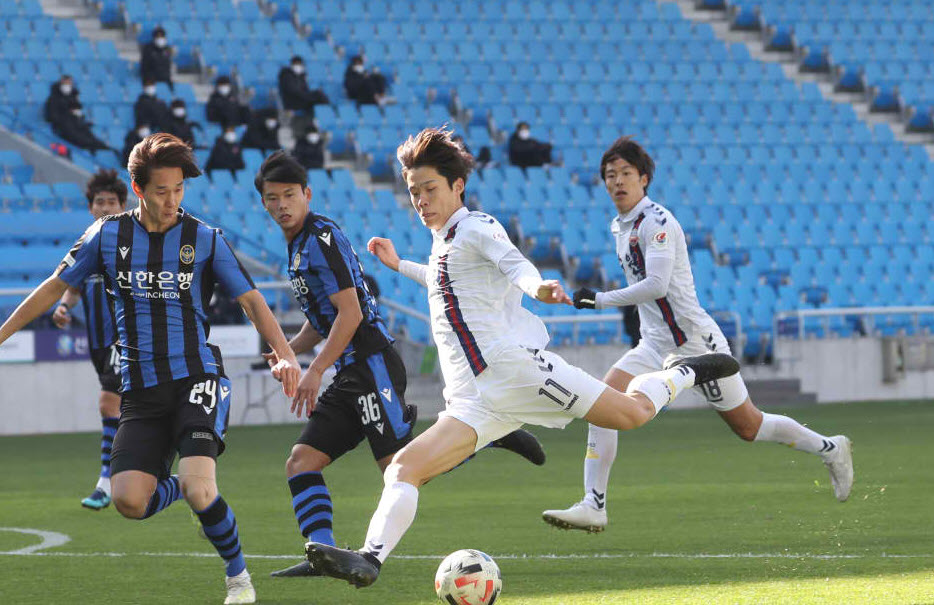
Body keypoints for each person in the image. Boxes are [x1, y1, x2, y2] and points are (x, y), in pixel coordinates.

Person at [302, 127, 740, 588]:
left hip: (517, 374)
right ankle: (370, 559)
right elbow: (442, 280)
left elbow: (515, 266)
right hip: (473, 398)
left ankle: (684, 372)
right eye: (414, 192)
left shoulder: (478, 227)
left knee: (629, 414)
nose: (421, 200)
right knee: (402, 468)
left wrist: (539, 288)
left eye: (430, 189)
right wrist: (398, 265)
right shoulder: (445, 241)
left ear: (457, 186)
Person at [0, 133, 301, 605]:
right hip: (140, 390)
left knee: (203, 487)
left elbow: (252, 299)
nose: (172, 200)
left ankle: (239, 579)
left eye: (179, 189)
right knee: (129, 501)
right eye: (162, 191)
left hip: (196, 378)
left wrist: (284, 352)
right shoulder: (107, 235)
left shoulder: (203, 237)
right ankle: (184, 490)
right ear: (138, 190)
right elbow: (52, 286)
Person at [254, 151, 547, 578]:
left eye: (288, 195)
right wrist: (288, 352)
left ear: (307, 194)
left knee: (399, 471)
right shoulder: (297, 247)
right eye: (271, 198)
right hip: (350, 371)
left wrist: (314, 369)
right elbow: (326, 319)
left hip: (371, 365)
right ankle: (322, 554)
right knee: (301, 462)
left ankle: (485, 435)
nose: (281, 205)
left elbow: (350, 314)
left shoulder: (320, 238)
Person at [541, 137, 854, 534]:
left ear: (644, 178)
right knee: (602, 403)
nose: (617, 182)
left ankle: (830, 447)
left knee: (749, 427)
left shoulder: (657, 222)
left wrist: (596, 300)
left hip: (695, 344)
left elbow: (656, 285)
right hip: (655, 343)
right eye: (609, 175)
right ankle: (593, 504)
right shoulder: (620, 225)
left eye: (625, 174)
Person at [51, 169, 128, 510]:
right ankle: (149, 472)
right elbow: (74, 284)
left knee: (108, 403)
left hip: (124, 339)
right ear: (90, 207)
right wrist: (64, 307)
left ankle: (105, 482)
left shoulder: (129, 243)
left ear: (123, 205)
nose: (105, 207)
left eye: (111, 202)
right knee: (125, 410)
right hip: (98, 341)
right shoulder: (87, 245)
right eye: (100, 202)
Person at [140, 25, 173, 92]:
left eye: (162, 36)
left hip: (165, 77)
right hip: (151, 77)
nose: (160, 38)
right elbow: (145, 66)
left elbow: (168, 65)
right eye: (158, 36)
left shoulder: (167, 49)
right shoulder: (148, 49)